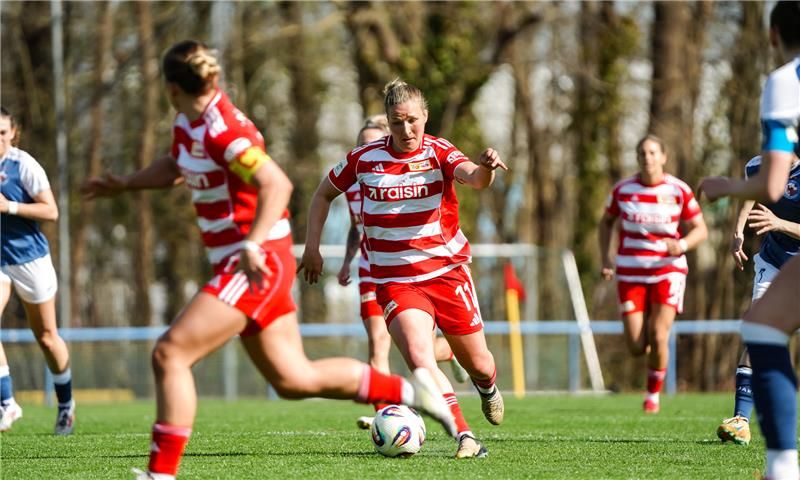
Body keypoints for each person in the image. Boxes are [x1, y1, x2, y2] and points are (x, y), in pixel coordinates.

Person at [80, 41, 455, 480]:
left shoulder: (224, 130)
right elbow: (176, 166)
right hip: (247, 262)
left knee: (170, 354)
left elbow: (276, 184)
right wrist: (126, 183)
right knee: (293, 379)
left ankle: (160, 475)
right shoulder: (189, 123)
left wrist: (253, 244)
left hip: (256, 264)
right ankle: (411, 391)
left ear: (169, 89)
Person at [299, 78, 507, 459]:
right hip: (396, 281)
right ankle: (465, 436)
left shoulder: (439, 152)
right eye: (397, 122)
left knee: (480, 362)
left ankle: (487, 386)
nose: (406, 130)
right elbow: (323, 194)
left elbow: (476, 180)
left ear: (425, 116)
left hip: (447, 273)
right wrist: (312, 247)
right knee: (418, 354)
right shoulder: (363, 159)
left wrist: (487, 167)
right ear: (388, 123)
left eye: (412, 120)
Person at [699, 2, 800, 478]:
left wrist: (725, 188)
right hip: (782, 259)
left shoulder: (784, 81)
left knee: (764, 330)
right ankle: (744, 422)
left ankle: (781, 464)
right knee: (761, 324)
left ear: (774, 35)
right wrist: (742, 225)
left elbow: (770, 185)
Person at [338, 115, 469, 430]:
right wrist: (347, 261)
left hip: (409, 270)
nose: (367, 149)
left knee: (417, 349)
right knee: (377, 342)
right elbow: (358, 228)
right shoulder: (353, 183)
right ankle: (385, 412)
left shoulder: (401, 175)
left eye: (373, 142)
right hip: (371, 271)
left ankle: (450, 352)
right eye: (362, 144)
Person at [598, 134, 708, 414]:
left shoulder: (678, 190)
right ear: (637, 158)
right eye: (642, 153)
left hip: (667, 270)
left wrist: (681, 245)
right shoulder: (623, 190)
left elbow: (700, 229)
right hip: (630, 272)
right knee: (636, 345)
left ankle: (652, 397)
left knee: (660, 335)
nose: (647, 158)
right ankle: (652, 352)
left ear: (663, 157)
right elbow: (605, 223)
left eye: (652, 152)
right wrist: (605, 259)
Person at [0, 107, 75, 435]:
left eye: (2, 133)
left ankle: (66, 404)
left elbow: (51, 211)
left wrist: (9, 207)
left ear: (13, 132)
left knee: (46, 337)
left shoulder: (23, 165)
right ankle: (7, 403)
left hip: (30, 259)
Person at [716, 154, 800, 447]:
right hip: (774, 262)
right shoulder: (757, 165)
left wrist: (778, 223)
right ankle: (740, 420)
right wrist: (737, 232)